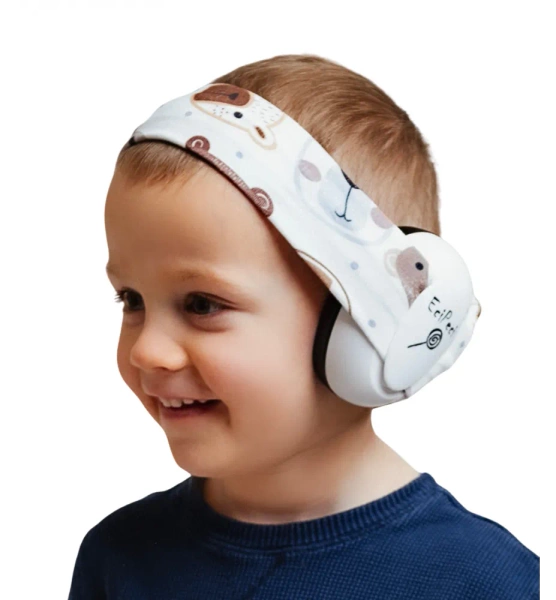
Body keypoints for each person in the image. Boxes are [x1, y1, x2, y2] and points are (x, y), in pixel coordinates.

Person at [68, 53, 539, 599]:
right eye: (131, 299)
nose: (147, 351)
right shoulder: (117, 557)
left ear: (367, 324)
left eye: (202, 304)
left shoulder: (490, 583)